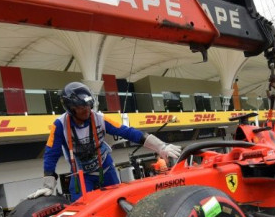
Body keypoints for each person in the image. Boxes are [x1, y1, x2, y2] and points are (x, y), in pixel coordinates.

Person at [28, 82, 182, 202]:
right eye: (81, 108)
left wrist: (161, 147)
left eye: (88, 106)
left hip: (106, 169)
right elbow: (51, 155)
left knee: (118, 201)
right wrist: (48, 186)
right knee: (81, 208)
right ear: (70, 108)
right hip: (81, 174)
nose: (87, 110)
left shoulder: (99, 118)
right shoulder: (60, 125)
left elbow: (129, 133)